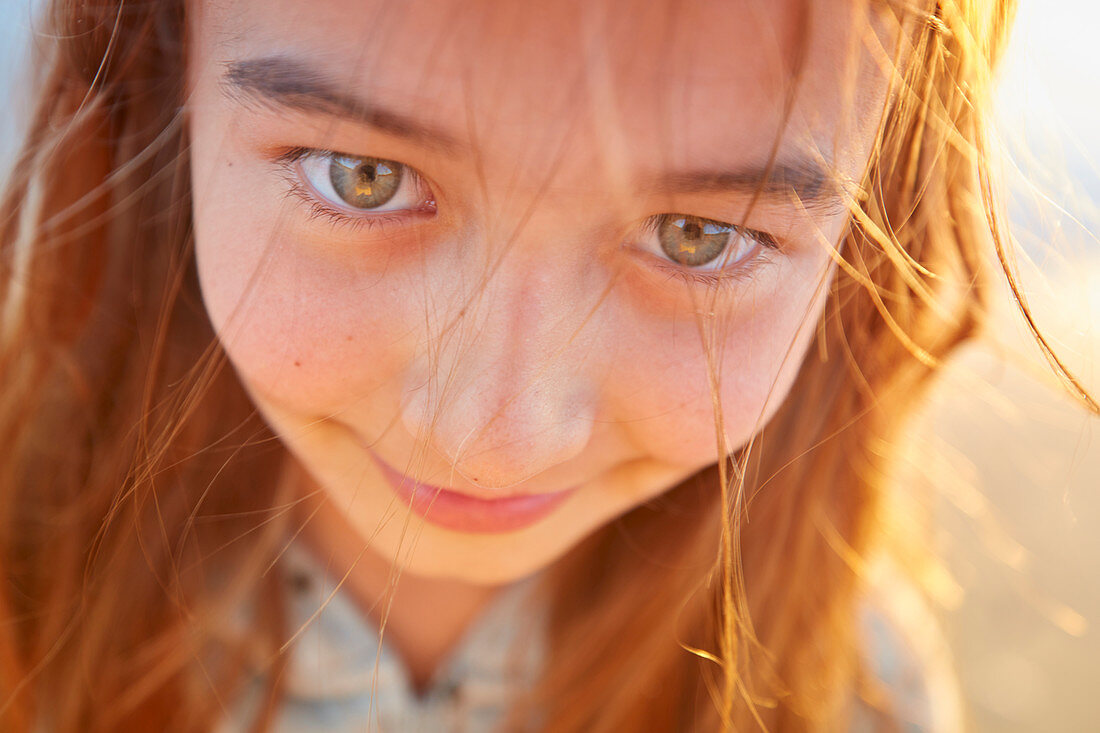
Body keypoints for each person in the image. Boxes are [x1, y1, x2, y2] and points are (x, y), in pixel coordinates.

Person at [0, 0, 1094, 731]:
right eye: (360, 176)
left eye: (694, 238)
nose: (493, 436)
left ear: (870, 220)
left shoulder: (842, 692)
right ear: (160, 81)